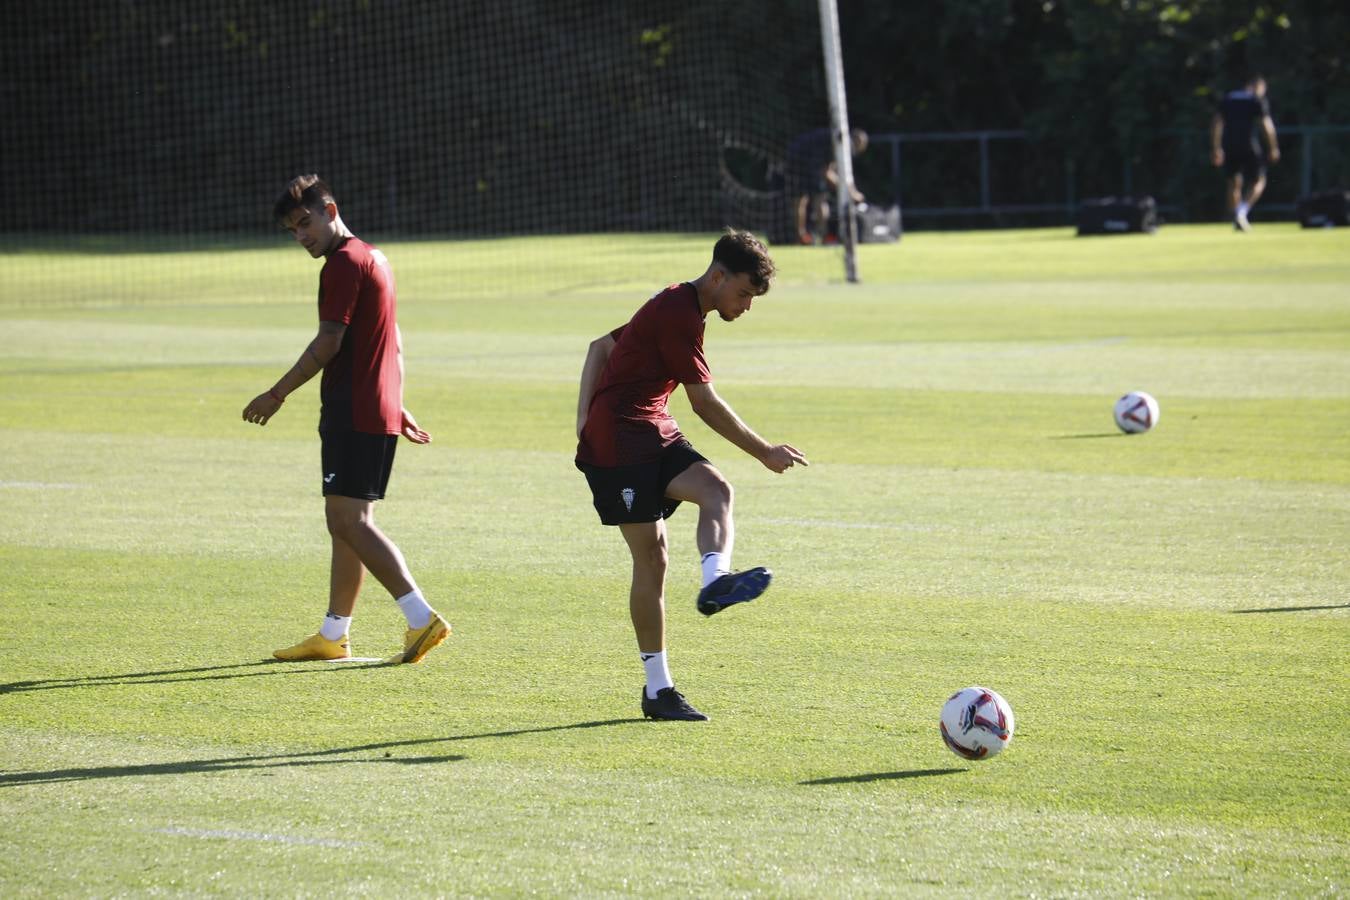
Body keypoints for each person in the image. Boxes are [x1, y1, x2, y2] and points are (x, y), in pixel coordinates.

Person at [575, 230, 809, 721]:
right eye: (743, 293)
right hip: (619, 442)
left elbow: (599, 345)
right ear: (718, 276)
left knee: (717, 490)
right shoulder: (677, 312)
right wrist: (765, 451)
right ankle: (658, 690)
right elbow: (703, 402)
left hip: (652, 428)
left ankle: (714, 582)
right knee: (653, 559)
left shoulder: (682, 307)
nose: (746, 306)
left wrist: (583, 416)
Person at [243, 174, 450, 665]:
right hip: (372, 406)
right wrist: (393, 400)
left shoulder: (342, 264)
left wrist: (277, 393)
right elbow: (391, 338)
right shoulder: (374, 257)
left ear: (330, 210)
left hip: (353, 409)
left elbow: (329, 342)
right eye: (292, 230)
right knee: (348, 523)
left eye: (305, 222)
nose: (301, 236)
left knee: (347, 520)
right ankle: (333, 634)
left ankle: (421, 617)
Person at [1211, 74, 1280, 232]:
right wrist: (1273, 147)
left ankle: (1236, 216)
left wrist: (1216, 147)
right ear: (1258, 86)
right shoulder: (1255, 100)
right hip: (1249, 145)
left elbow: (1216, 123)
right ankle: (1242, 212)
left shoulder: (1228, 99)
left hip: (1229, 146)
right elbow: (1266, 125)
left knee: (1233, 183)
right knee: (1259, 180)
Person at [786, 127, 868, 244]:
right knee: (817, 199)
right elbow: (827, 172)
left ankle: (803, 236)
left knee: (803, 200)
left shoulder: (837, 139)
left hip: (794, 154)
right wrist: (851, 193)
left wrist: (849, 190)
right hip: (804, 161)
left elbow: (834, 170)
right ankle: (821, 237)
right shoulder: (844, 144)